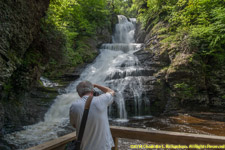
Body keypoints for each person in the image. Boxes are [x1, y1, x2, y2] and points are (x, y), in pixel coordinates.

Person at [69, 80, 115, 150]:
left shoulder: (74, 106)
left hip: (84, 147)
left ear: (79, 93)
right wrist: (96, 85)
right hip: (103, 147)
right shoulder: (102, 100)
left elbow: (74, 125)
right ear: (92, 91)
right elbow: (111, 91)